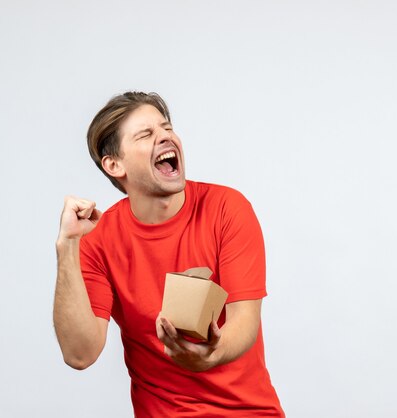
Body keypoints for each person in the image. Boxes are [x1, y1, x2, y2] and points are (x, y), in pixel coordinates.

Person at [53, 91, 285, 417]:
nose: (165, 136)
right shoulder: (98, 239)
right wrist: (67, 248)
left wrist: (211, 354)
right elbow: (80, 354)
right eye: (146, 134)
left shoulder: (227, 209)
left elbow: (244, 321)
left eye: (166, 128)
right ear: (114, 164)